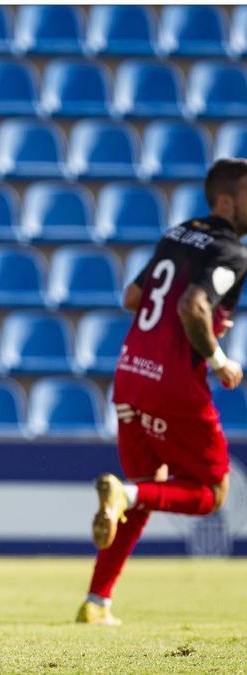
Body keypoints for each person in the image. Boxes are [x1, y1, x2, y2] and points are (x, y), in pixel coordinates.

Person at [78, 158, 247, 625]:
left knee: (142, 492)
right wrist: (220, 359)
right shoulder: (233, 252)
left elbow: (134, 298)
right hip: (174, 385)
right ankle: (124, 499)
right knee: (212, 491)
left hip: (131, 372)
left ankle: (96, 602)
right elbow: (193, 305)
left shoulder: (178, 232)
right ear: (227, 200)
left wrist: (207, 321)